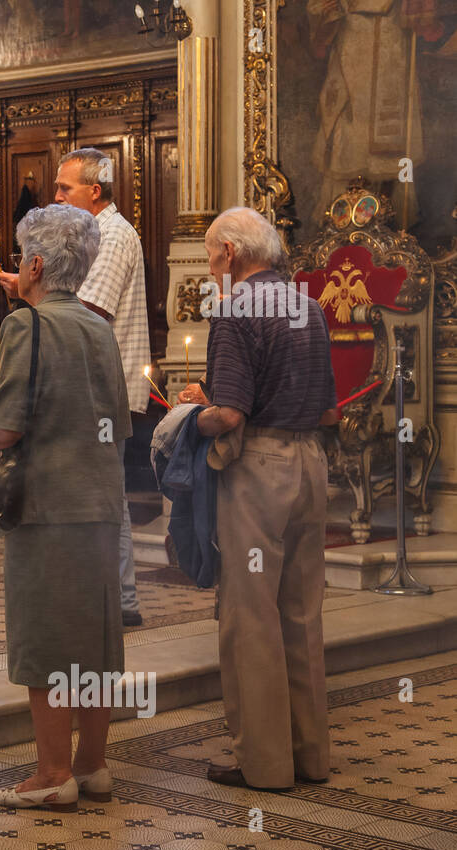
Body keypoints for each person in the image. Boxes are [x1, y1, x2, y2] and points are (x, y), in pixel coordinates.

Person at [0, 203, 130, 811]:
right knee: (95, 641)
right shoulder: (99, 325)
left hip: (48, 510)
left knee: (46, 642)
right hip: (100, 504)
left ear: (37, 265)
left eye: (23, 259)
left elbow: (4, 429)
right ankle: (93, 764)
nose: (19, 270)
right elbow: (118, 421)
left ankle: (53, 776)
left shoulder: (28, 325)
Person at [177, 206, 338, 791]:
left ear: (233, 254)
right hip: (310, 465)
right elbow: (327, 410)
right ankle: (310, 756)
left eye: (212, 254)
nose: (212, 265)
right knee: (301, 612)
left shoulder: (236, 308)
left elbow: (230, 416)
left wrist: (187, 417)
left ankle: (266, 766)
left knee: (251, 617)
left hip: (259, 471)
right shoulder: (310, 306)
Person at [0, 147, 149, 627]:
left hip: (103, 385)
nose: (56, 196)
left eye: (65, 188)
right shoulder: (89, 234)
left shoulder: (112, 235)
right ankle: (109, 593)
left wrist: (31, 291)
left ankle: (119, 599)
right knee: (107, 492)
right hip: (91, 382)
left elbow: (89, 313)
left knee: (110, 494)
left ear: (95, 190)